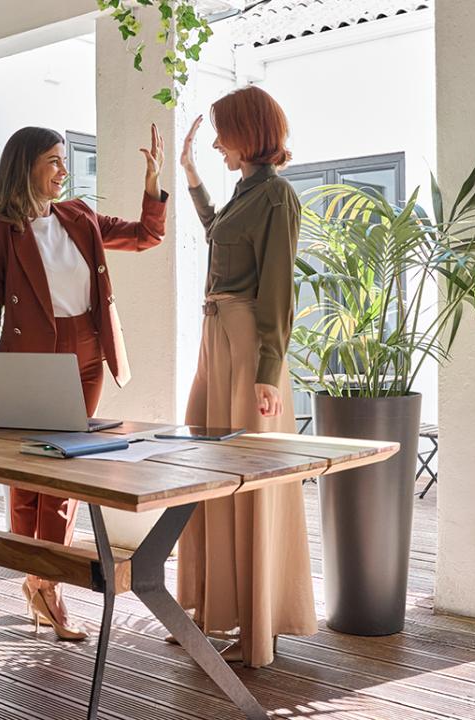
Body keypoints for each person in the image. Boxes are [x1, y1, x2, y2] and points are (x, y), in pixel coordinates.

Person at [0, 125, 167, 640]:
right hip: (29, 358)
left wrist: (153, 184)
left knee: (65, 474)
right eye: (53, 161)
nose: (64, 170)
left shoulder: (79, 214)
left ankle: (48, 583)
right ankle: (39, 578)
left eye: (64, 161)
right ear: (26, 166)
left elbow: (145, 236)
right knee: (28, 478)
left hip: (86, 355)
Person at [175, 86, 316, 667]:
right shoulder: (246, 192)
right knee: (206, 467)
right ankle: (213, 610)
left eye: (222, 134)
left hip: (248, 348)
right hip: (216, 340)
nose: (215, 144)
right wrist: (188, 174)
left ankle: (260, 629)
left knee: (249, 479)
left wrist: (267, 372)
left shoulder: (278, 197)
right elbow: (219, 233)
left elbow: (279, 290)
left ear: (248, 133)